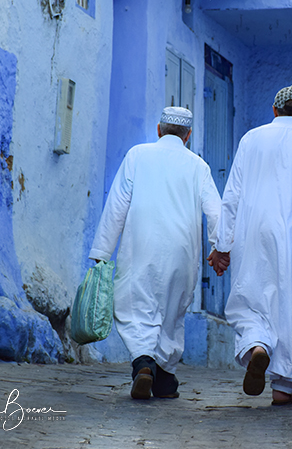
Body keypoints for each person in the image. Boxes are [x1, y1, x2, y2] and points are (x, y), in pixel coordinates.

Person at [209, 85, 292, 405]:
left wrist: (222, 244)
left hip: (253, 230)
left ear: (274, 110)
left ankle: (258, 345)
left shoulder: (251, 139)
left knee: (253, 295)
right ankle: (284, 389)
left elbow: (232, 197)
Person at [89, 107, 221, 400]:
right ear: (188, 135)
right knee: (173, 312)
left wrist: (102, 251)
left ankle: (144, 363)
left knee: (136, 305)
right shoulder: (199, 166)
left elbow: (117, 204)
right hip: (182, 253)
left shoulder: (138, 155)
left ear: (160, 130)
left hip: (142, 246)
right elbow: (215, 212)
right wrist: (218, 248)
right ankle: (165, 378)